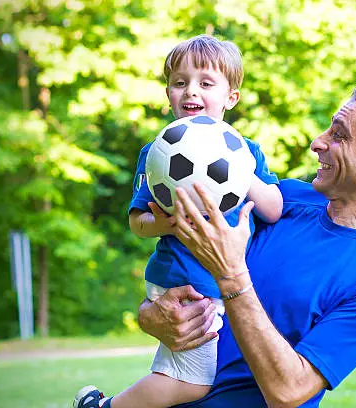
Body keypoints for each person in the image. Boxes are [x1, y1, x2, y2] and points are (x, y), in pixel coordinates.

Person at [137, 84, 356, 407]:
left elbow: (288, 391)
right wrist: (151, 316)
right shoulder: (283, 200)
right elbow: (184, 272)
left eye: (339, 135)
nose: (317, 143)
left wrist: (231, 275)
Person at [73, 35, 282, 408]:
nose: (191, 92)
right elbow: (138, 222)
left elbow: (273, 209)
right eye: (180, 82)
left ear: (230, 97)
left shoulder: (245, 151)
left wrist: (241, 173)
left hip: (224, 285)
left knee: (193, 373)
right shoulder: (158, 151)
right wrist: (169, 223)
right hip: (184, 284)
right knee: (189, 382)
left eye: (205, 83)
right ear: (168, 92)